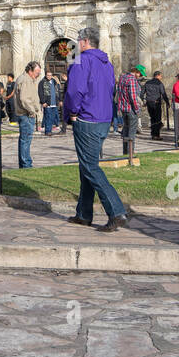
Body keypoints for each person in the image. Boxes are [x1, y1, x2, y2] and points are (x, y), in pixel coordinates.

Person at [64, 27, 128, 232]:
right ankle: (83, 214)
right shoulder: (107, 63)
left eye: (77, 41)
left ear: (83, 42)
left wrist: (72, 112)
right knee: (86, 165)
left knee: (90, 166)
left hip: (87, 119)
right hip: (103, 118)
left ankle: (116, 211)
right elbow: (111, 89)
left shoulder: (81, 60)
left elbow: (75, 90)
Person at [14, 61, 41, 168]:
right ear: (30, 71)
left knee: (25, 140)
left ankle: (24, 163)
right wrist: (33, 111)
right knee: (25, 140)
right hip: (26, 115)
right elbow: (24, 99)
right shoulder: (25, 80)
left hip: (25, 114)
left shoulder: (27, 79)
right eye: (36, 72)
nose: (38, 74)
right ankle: (26, 164)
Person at [116, 64, 143, 156]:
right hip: (131, 109)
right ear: (136, 72)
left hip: (123, 108)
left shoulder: (123, 77)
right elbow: (133, 96)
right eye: (140, 74)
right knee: (131, 132)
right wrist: (137, 109)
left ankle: (125, 152)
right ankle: (130, 153)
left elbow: (119, 93)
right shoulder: (132, 79)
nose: (140, 76)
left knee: (126, 130)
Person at [142, 69, 168, 140]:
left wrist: (143, 101)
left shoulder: (147, 83)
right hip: (156, 103)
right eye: (161, 76)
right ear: (158, 75)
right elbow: (163, 93)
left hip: (149, 102)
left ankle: (153, 134)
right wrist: (167, 102)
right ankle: (156, 135)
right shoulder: (159, 83)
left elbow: (142, 93)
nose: (161, 77)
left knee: (152, 118)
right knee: (157, 119)